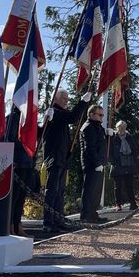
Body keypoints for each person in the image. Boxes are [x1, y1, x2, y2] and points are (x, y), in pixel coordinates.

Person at [41, 89, 91, 233]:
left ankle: (58, 220)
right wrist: (82, 102)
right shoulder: (53, 112)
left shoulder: (58, 112)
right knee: (52, 191)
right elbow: (72, 118)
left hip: (62, 157)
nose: (66, 101)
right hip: (54, 156)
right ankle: (48, 222)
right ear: (55, 99)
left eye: (67, 99)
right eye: (64, 98)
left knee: (60, 192)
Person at [5, 104, 40, 237]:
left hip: (27, 163)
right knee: (14, 197)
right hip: (17, 162)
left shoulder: (28, 120)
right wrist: (27, 141)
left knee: (21, 198)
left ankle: (18, 224)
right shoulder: (13, 118)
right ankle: (10, 226)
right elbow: (11, 139)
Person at [79, 104, 108, 224]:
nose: (102, 117)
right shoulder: (88, 127)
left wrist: (109, 136)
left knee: (96, 191)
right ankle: (86, 215)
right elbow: (89, 148)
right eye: (100, 115)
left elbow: (101, 144)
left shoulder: (98, 127)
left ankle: (93, 214)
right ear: (91, 115)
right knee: (89, 190)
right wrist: (96, 163)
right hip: (91, 164)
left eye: (102, 115)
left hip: (99, 163)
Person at [108, 121, 139, 211]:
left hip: (128, 163)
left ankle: (133, 204)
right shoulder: (113, 138)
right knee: (118, 186)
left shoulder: (129, 137)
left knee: (129, 185)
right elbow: (109, 151)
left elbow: (134, 150)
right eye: (120, 127)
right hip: (117, 164)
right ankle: (118, 205)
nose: (121, 128)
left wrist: (134, 160)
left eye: (123, 127)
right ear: (117, 128)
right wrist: (113, 161)